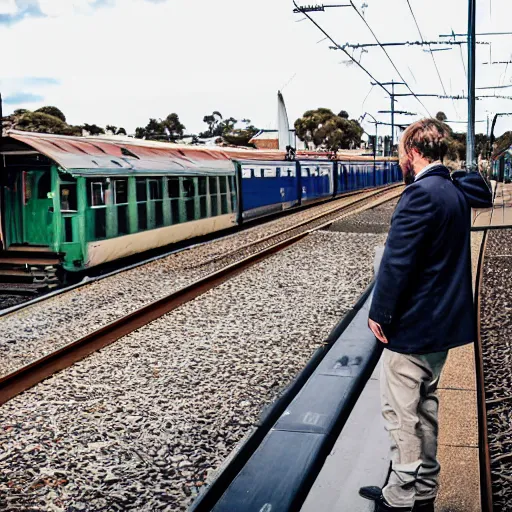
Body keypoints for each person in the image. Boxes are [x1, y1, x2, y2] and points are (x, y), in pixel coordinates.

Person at [359, 118, 493, 512]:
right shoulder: (452, 190)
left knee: (400, 412)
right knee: (426, 407)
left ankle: (400, 497)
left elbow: (398, 263)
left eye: (402, 151)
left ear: (413, 152)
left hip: (414, 328)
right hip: (442, 327)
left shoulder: (420, 195)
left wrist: (379, 313)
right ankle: (425, 491)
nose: (400, 158)